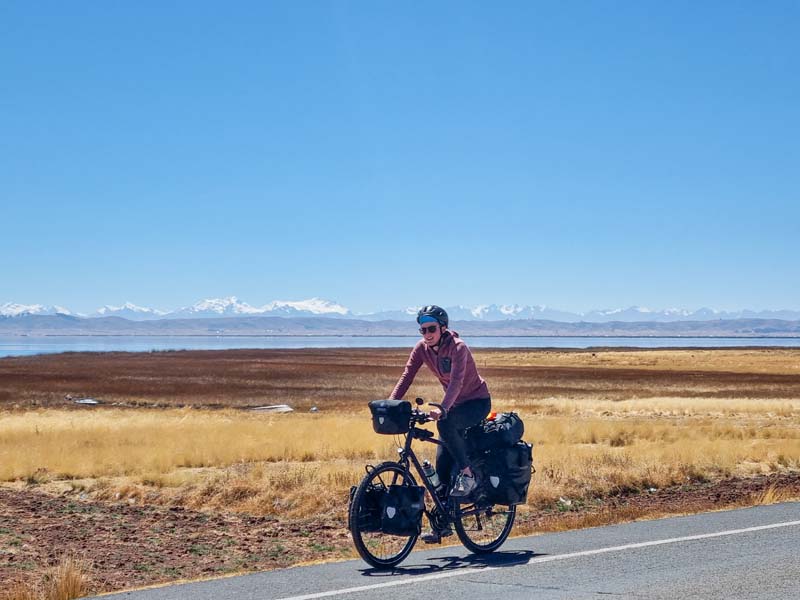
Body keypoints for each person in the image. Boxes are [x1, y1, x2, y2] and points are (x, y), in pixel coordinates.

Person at [389, 305, 491, 543]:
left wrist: (442, 409)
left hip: (476, 402)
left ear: (443, 328)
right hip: (454, 406)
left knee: (445, 426)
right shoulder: (422, 349)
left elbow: (456, 381)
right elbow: (407, 375)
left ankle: (468, 475)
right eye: (422, 329)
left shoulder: (458, 348)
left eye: (431, 328)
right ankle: (442, 524)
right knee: (442, 465)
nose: (426, 333)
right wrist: (391, 402)